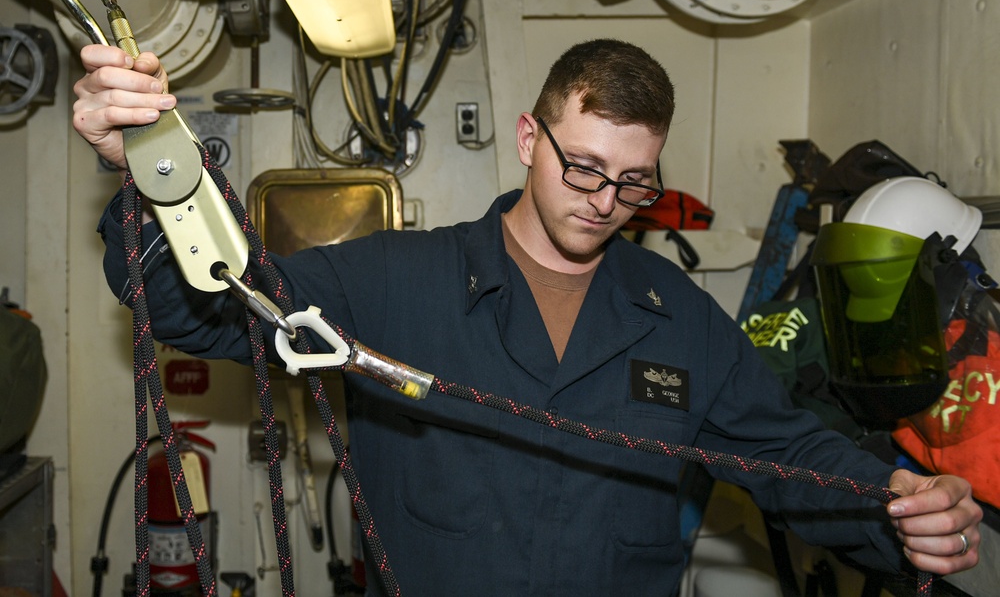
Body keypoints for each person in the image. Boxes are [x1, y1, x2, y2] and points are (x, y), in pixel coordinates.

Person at [74, 39, 982, 595]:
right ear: (526, 138)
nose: (603, 200)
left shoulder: (680, 321)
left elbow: (785, 454)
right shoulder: (394, 282)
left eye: (634, 182)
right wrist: (142, 169)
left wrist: (892, 509)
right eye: (582, 166)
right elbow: (207, 309)